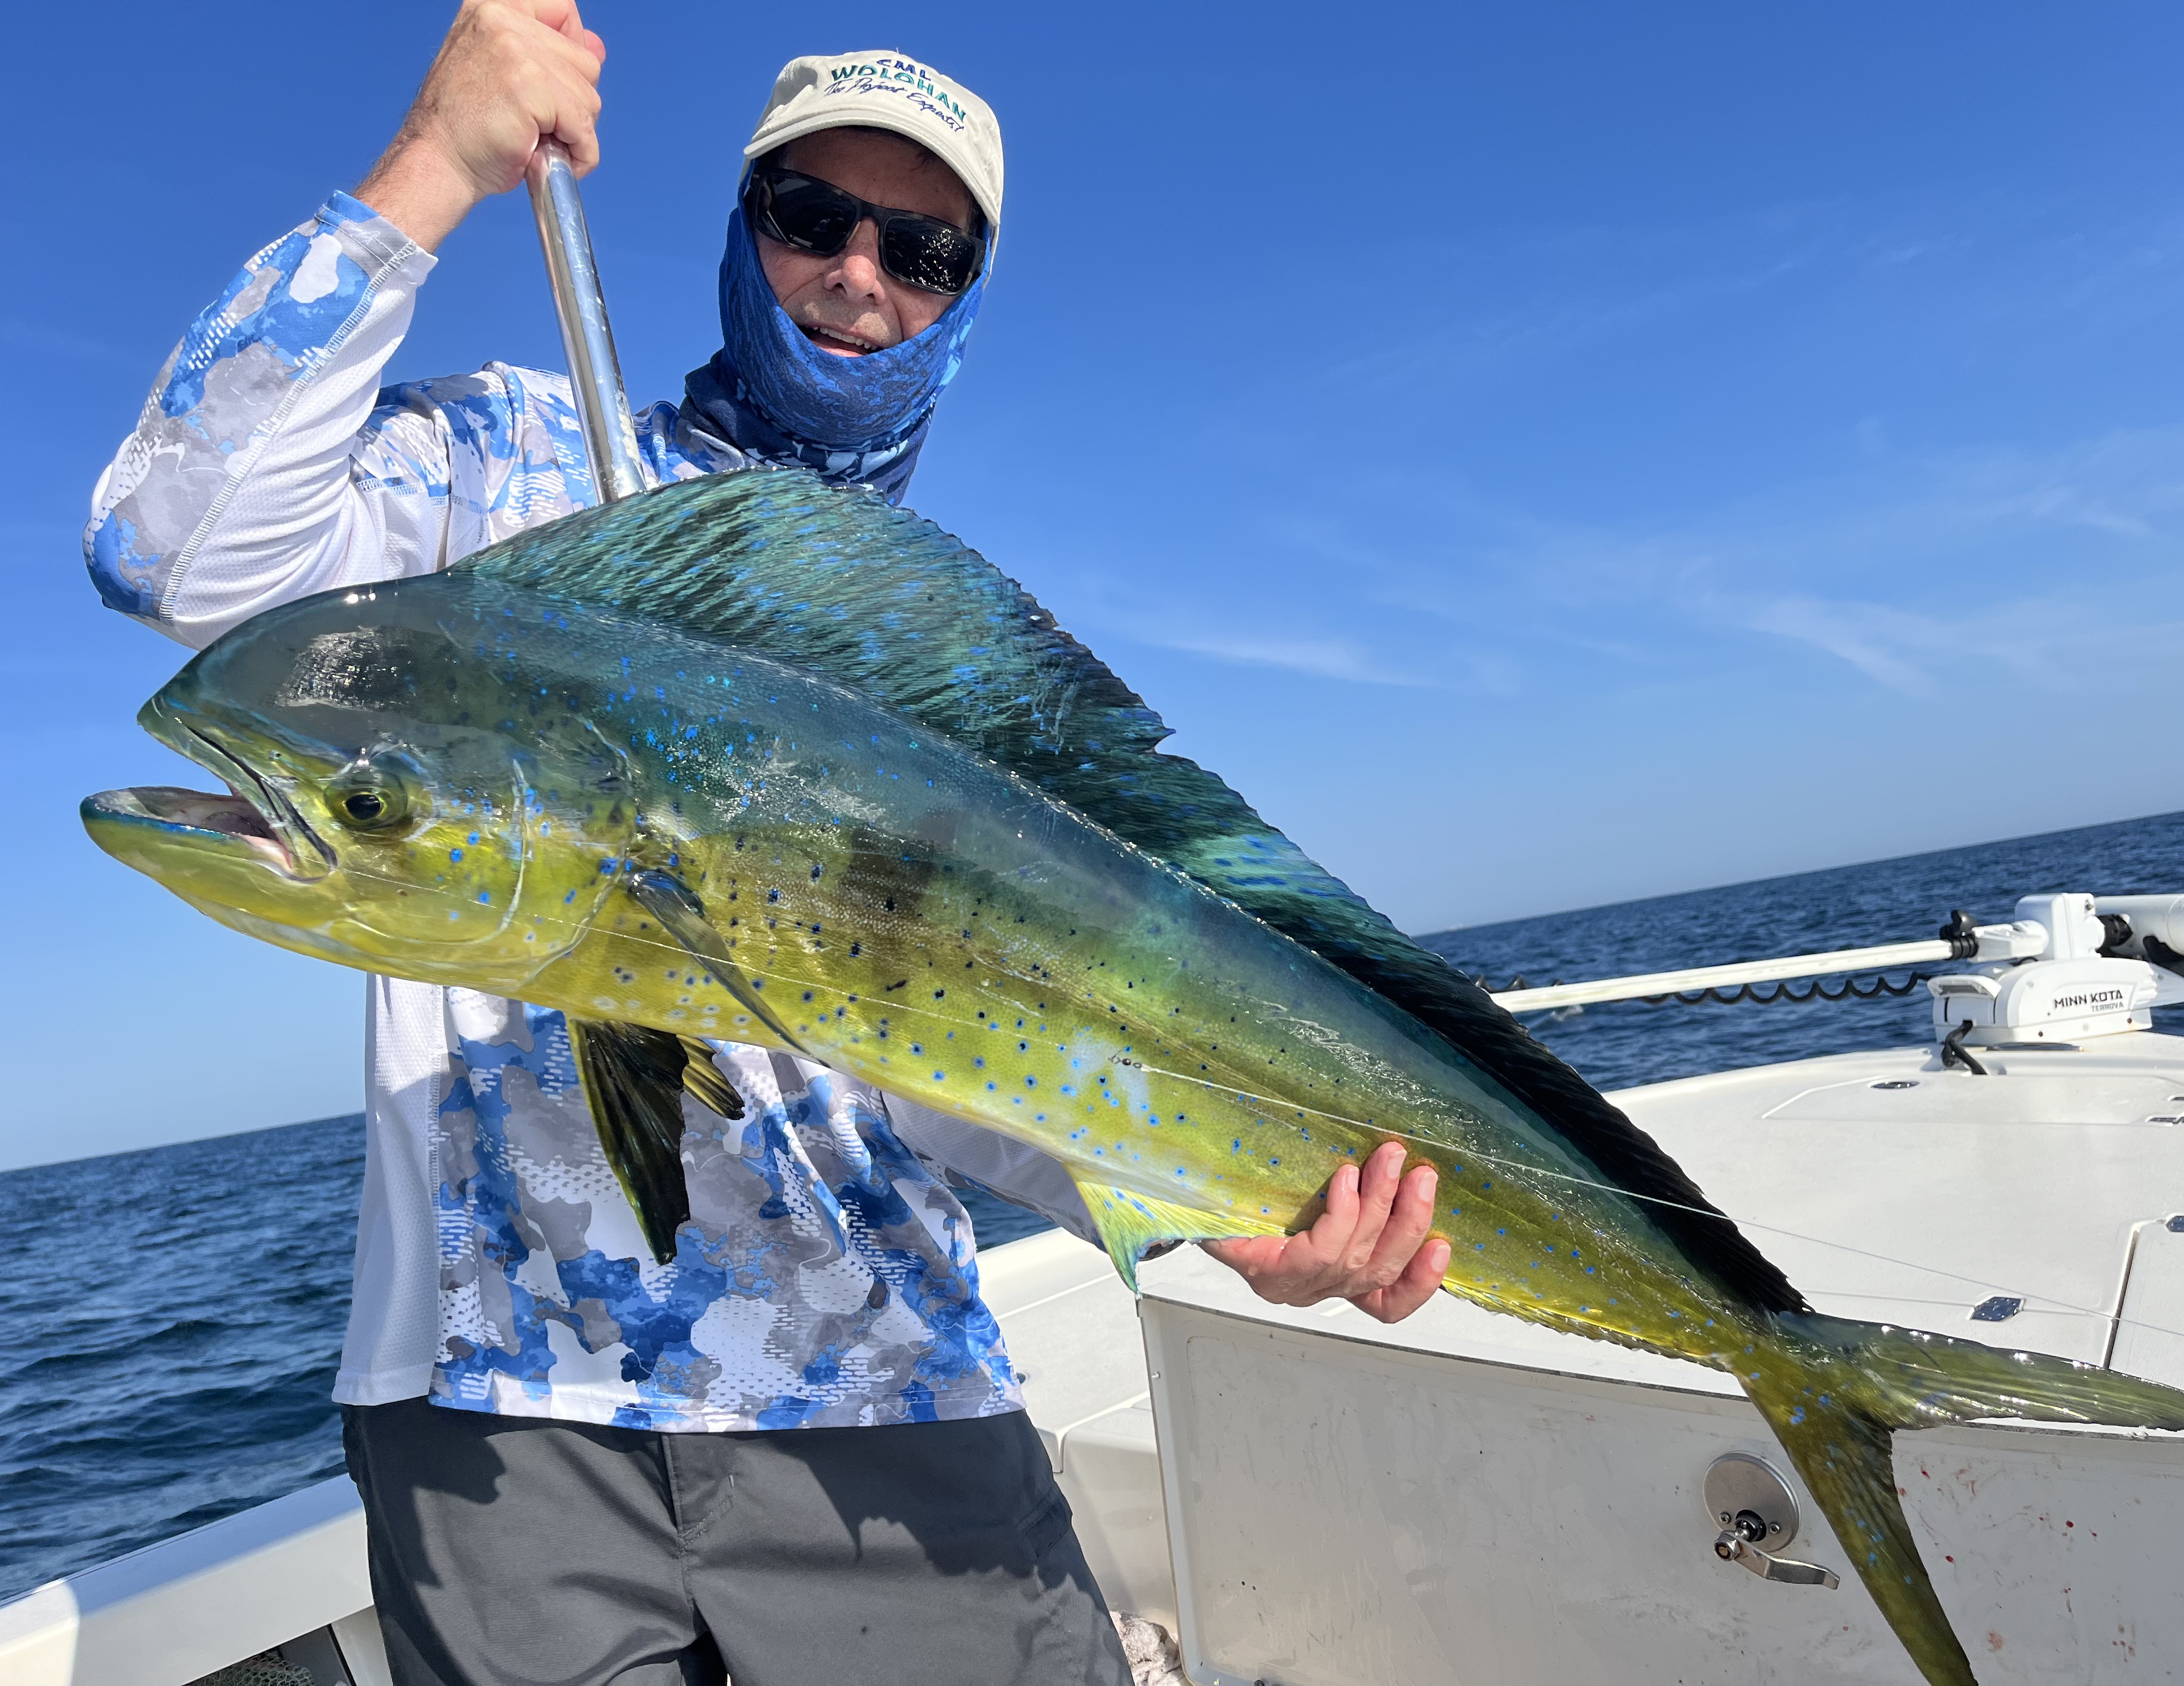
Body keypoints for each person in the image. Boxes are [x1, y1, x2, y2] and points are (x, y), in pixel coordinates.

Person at [84, 5, 1449, 1682]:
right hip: (507, 1418)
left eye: (923, 247)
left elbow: (955, 1045)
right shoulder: (500, 476)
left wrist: (1201, 1204)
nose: (858, 273)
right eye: (813, 218)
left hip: (880, 1393)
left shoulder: (944, 678)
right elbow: (168, 549)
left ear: (960, 298)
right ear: (746, 234)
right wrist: (435, 164)